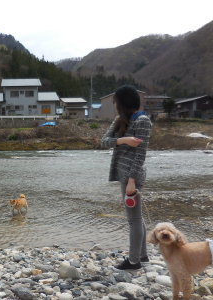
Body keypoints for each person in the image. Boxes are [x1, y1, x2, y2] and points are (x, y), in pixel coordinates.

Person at [101, 85, 152, 270]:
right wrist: (123, 140)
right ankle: (143, 256)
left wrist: (132, 180)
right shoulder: (119, 120)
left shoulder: (143, 121)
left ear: (121, 103)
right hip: (123, 173)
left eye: (115, 102)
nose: (114, 105)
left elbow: (141, 155)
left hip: (133, 176)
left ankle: (133, 261)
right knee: (136, 217)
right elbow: (103, 142)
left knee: (134, 219)